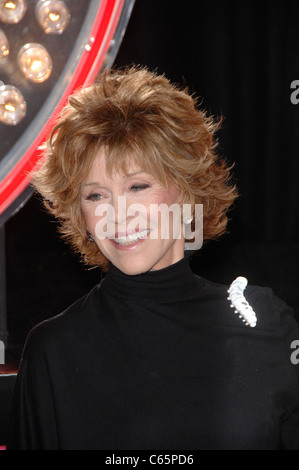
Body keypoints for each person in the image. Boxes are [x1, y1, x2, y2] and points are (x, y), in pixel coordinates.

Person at [8, 66, 299, 450]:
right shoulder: (54, 351)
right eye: (95, 195)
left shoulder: (267, 327)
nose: (117, 214)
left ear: (185, 188)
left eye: (137, 186)